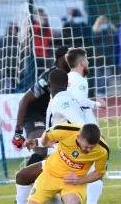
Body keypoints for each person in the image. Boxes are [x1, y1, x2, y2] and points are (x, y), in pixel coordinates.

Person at [15, 69, 86, 204]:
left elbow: (82, 127)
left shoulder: (62, 101)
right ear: (68, 84)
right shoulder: (59, 100)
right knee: (23, 177)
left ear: (49, 84)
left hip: (66, 162)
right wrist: (36, 142)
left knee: (24, 178)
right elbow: (56, 134)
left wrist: (78, 153)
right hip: (59, 159)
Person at [13, 46, 70, 167]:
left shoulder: (73, 76)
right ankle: (23, 180)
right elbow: (24, 100)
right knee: (41, 149)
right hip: (35, 115)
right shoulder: (48, 77)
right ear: (61, 59)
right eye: (69, 57)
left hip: (53, 115)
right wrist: (18, 132)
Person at [25, 123, 109, 204]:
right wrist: (44, 143)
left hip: (73, 182)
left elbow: (99, 173)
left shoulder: (102, 150)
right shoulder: (65, 131)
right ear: (79, 138)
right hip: (50, 174)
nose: (89, 150)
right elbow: (48, 132)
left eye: (92, 147)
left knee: (73, 202)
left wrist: (80, 180)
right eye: (86, 146)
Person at [65, 48, 106, 124]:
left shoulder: (66, 77)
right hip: (81, 122)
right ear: (82, 63)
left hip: (69, 120)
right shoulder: (80, 80)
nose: (88, 62)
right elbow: (81, 101)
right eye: (86, 59)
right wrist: (98, 104)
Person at [92, 15, 118, 96]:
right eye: (101, 21)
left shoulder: (110, 29)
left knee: (108, 74)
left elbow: (114, 39)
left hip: (108, 55)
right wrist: (99, 32)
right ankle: (100, 91)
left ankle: (104, 89)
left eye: (104, 21)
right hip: (98, 55)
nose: (103, 23)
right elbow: (94, 41)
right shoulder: (94, 31)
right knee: (99, 74)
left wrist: (110, 29)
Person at [0, 23, 20, 92]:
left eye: (16, 29)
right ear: (10, 29)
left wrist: (19, 66)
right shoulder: (4, 40)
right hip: (5, 67)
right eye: (13, 29)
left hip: (14, 67)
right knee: (5, 85)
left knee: (14, 84)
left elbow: (19, 54)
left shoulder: (17, 40)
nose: (15, 31)